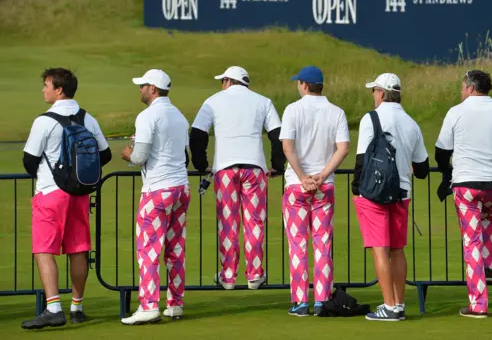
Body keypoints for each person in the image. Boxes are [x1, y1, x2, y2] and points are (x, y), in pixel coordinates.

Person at [21, 68, 112, 329]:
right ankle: (77, 307)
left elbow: (29, 160)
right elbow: (104, 155)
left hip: (51, 193)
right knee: (78, 249)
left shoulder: (44, 121)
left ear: (59, 89)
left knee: (44, 250)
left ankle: (53, 308)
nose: (43, 89)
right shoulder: (88, 118)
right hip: (80, 194)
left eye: (46, 85)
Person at [189, 66, 285, 290]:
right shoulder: (263, 101)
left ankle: (228, 275)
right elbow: (277, 135)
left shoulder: (213, 101)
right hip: (255, 168)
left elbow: (197, 135)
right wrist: (277, 166)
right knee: (254, 223)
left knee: (228, 223)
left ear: (226, 81)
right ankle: (254, 274)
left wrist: (202, 165)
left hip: (225, 170)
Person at [435, 70, 492, 318]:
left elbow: (441, 151)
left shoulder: (456, 112)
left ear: (470, 88)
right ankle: (488, 263)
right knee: (488, 219)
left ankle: (478, 304)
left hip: (467, 184)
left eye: (463, 86)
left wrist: (447, 173)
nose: (461, 90)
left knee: (471, 241)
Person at [352, 73, 429, 321]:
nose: (373, 95)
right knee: (397, 250)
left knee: (380, 250)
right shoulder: (411, 123)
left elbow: (361, 159)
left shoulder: (370, 118)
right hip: (401, 193)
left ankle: (388, 306)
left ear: (382, 93)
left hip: (374, 193)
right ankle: (399, 304)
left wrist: (357, 187)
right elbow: (423, 169)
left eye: (374, 91)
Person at [120, 69, 191, 324]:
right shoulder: (180, 117)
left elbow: (139, 157)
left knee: (149, 250)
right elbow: (184, 156)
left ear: (153, 88)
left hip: (157, 191)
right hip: (181, 189)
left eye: (143, 86)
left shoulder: (148, 115)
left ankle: (149, 305)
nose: (140, 89)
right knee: (175, 248)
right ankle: (175, 304)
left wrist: (128, 153)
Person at [280, 66, 350, 316]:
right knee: (323, 243)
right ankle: (322, 299)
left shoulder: (292, 110)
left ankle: (301, 301)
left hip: (297, 185)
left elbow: (288, 148)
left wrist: (302, 176)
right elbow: (342, 148)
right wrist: (322, 174)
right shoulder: (337, 112)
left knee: (298, 244)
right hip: (324, 185)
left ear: (304, 85)